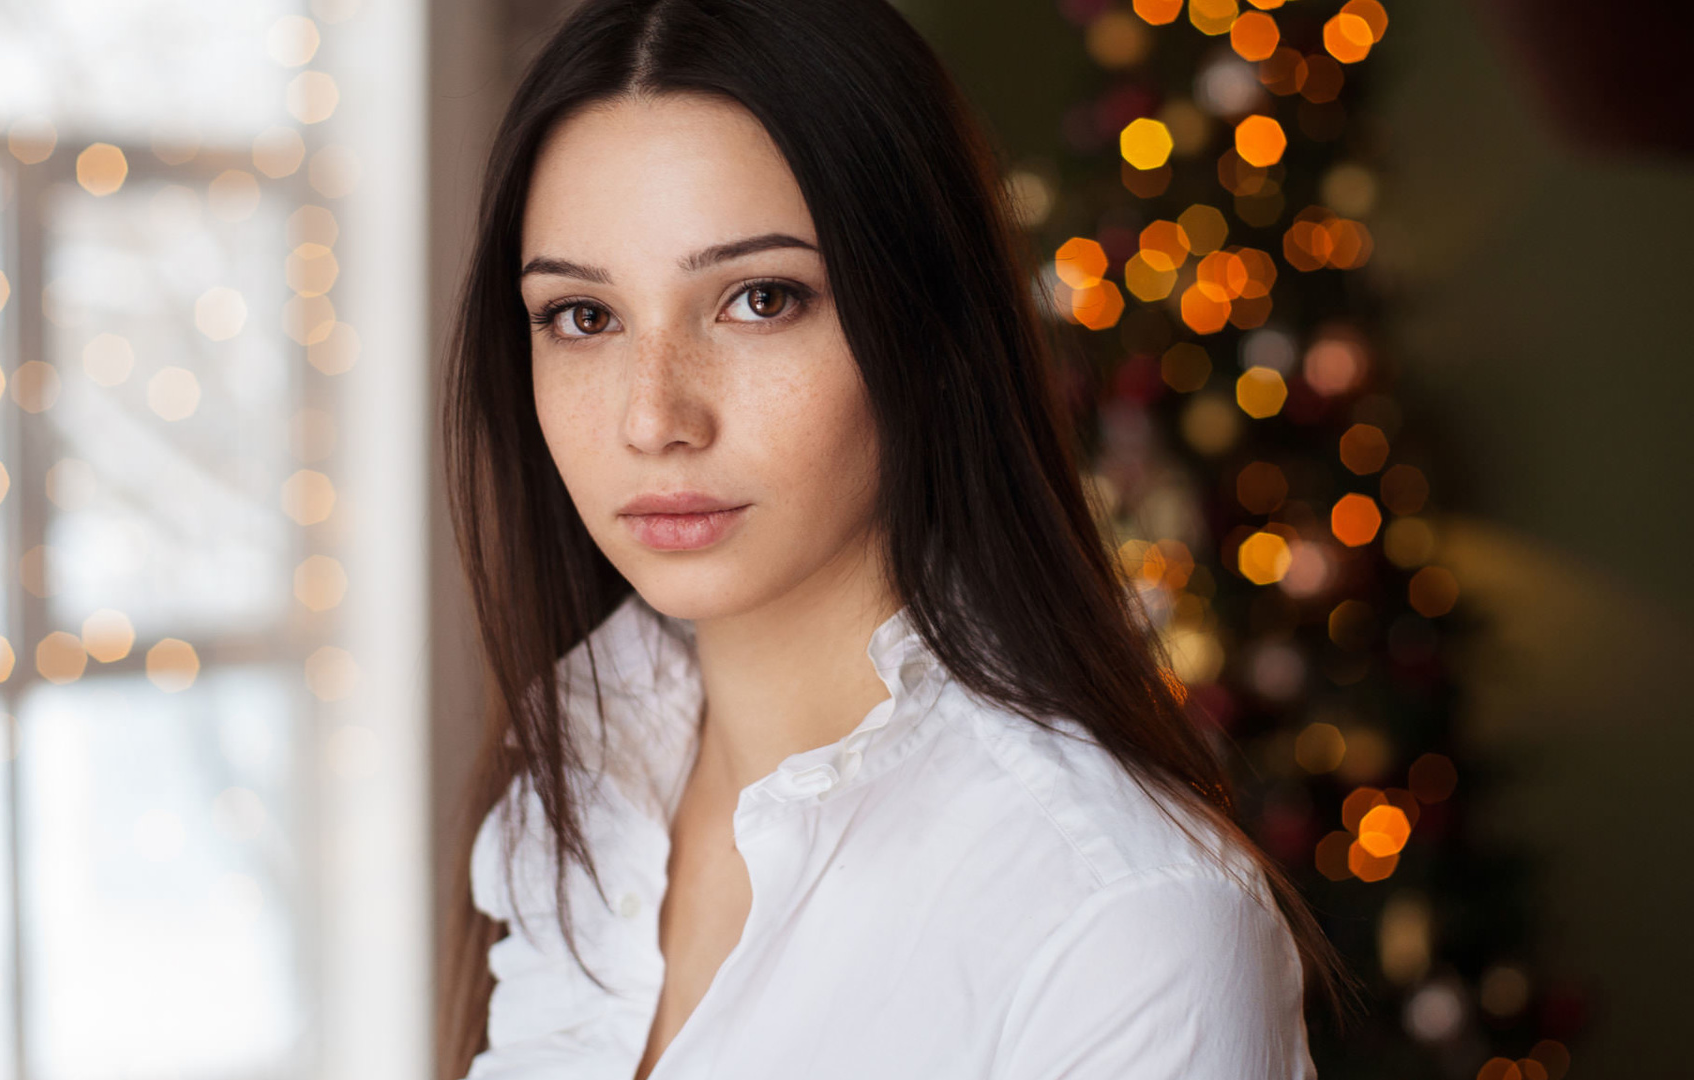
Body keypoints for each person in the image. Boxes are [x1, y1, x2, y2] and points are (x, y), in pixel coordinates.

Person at [439, 1, 1339, 1076]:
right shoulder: (573, 780)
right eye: (583, 317)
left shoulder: (1123, 926)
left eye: (759, 299)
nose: (652, 418)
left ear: (929, 323)